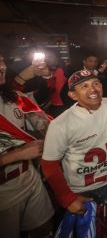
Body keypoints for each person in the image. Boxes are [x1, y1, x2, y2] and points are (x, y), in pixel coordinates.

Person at [41, 70, 107, 236]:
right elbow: (49, 164)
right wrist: (67, 198)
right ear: (73, 95)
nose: (93, 89)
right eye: (84, 86)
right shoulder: (61, 124)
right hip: (83, 191)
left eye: (96, 83)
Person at [0, 53, 54, 238]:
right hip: (3, 193)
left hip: (29, 177)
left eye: (1, 60)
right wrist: (16, 155)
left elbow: (44, 122)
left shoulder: (14, 97)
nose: (2, 67)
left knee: (44, 229)